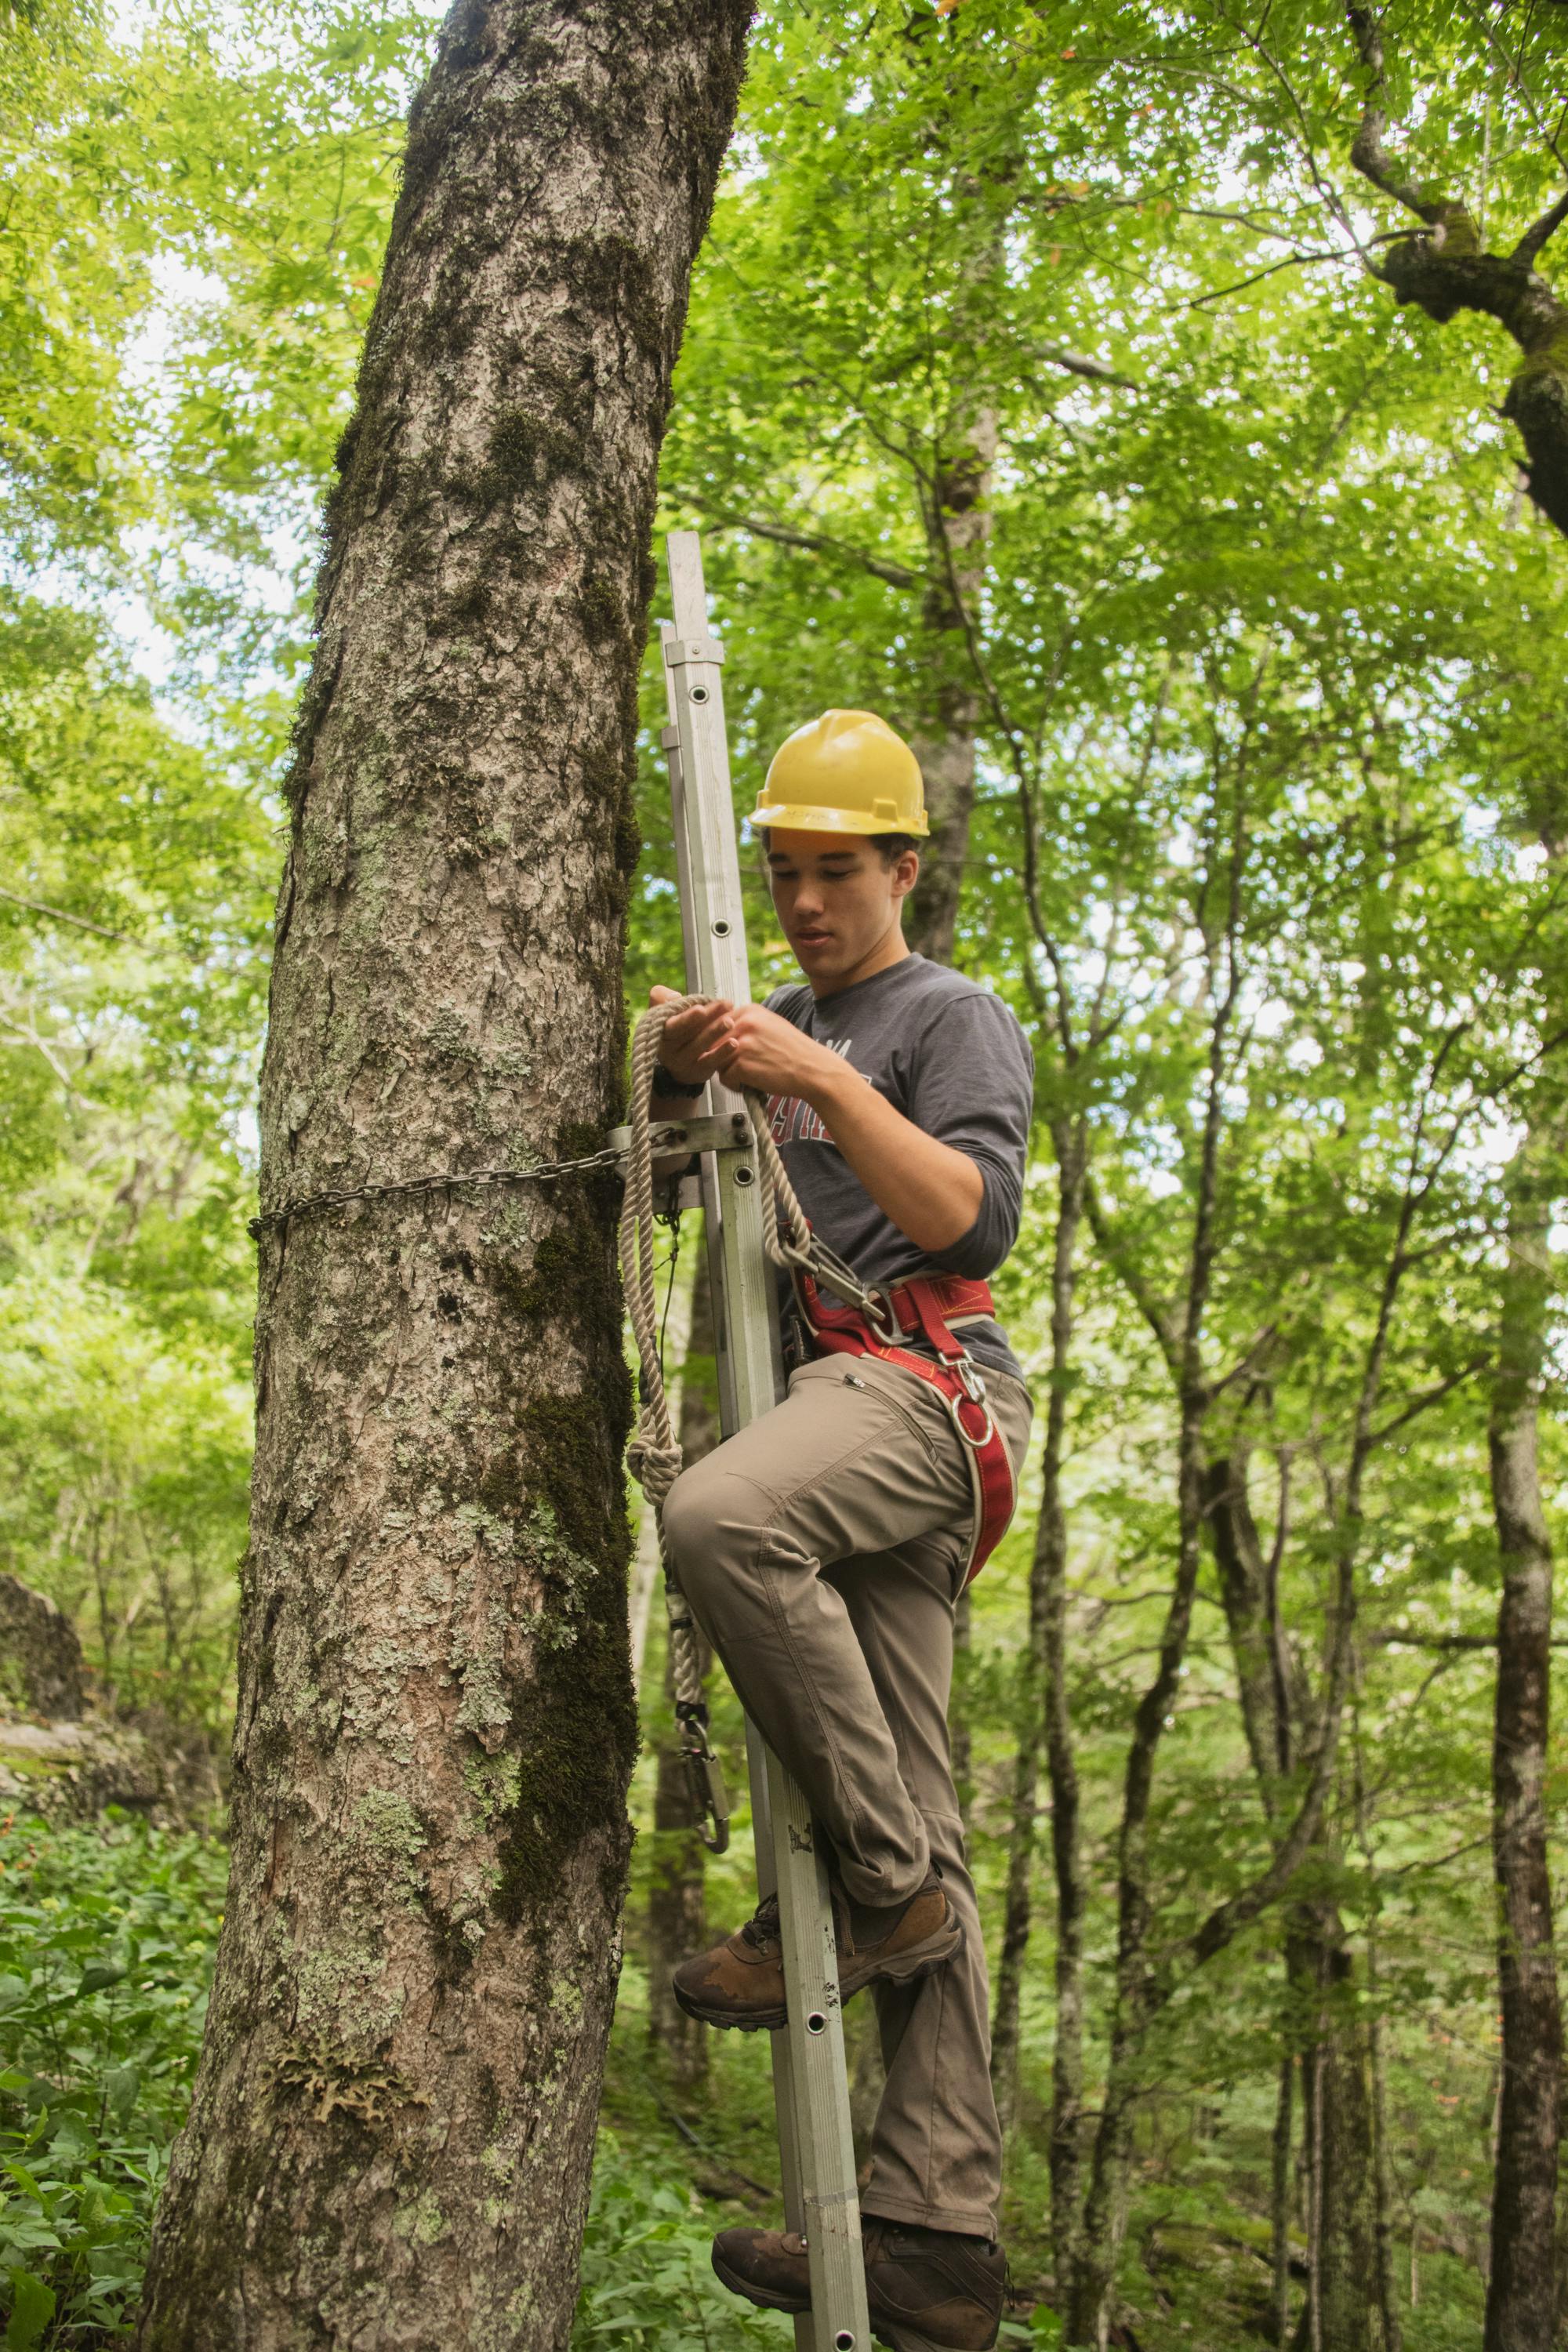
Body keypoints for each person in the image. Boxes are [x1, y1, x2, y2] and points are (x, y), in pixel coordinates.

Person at [650, 708, 1035, 2352]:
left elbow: (971, 1216)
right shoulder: (764, 1020)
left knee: (722, 1517)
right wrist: (678, 1071)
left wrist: (812, 1071)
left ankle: (878, 1890)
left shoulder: (948, 1015)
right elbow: (667, 1192)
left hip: (924, 1384)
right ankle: (940, 2235)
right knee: (926, 1821)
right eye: (785, 874)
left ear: (901, 867)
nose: (807, 903)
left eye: (837, 872)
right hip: (832, 1401)